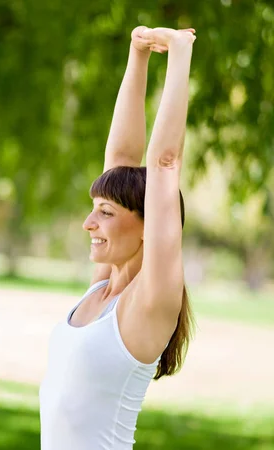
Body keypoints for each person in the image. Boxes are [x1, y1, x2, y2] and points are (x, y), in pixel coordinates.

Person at [39, 25, 197, 449]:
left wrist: (180, 53)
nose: (89, 223)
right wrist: (138, 54)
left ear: (150, 227)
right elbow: (121, 163)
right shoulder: (104, 291)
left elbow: (163, 164)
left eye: (105, 213)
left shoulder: (150, 301)